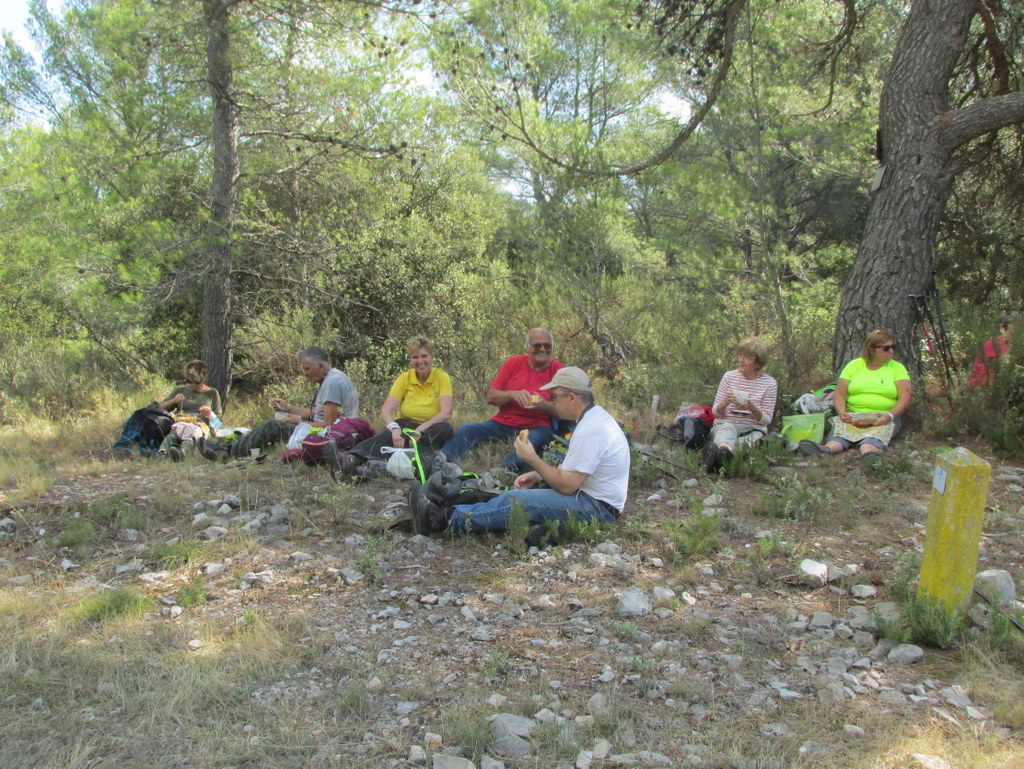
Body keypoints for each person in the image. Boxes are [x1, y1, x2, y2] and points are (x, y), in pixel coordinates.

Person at [409, 367, 630, 541]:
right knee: (521, 495)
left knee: (517, 501)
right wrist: (538, 475)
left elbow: (567, 485)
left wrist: (532, 458)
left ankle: (441, 521)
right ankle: (453, 509)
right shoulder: (593, 419)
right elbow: (577, 469)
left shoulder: (590, 430)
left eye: (554, 397)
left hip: (596, 508)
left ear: (571, 397)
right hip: (593, 499)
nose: (550, 402)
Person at [440, 328, 563, 471]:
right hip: (503, 423)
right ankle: (442, 459)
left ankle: (502, 471)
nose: (542, 349)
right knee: (469, 429)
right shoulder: (513, 363)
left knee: (533, 440)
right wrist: (512, 394)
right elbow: (491, 397)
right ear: (527, 347)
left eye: (547, 346)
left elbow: (565, 413)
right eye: (537, 345)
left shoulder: (558, 371)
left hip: (537, 426)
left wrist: (545, 405)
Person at [333, 336, 454, 477]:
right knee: (387, 433)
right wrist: (395, 429)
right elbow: (386, 409)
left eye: (424, 356)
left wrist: (422, 428)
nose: (420, 361)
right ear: (410, 359)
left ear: (432, 357)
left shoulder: (441, 377)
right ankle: (350, 459)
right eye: (415, 357)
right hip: (406, 425)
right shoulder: (405, 378)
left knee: (446, 429)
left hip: (430, 428)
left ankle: (393, 458)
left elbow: (446, 412)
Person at [228, 346, 359, 458]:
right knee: (279, 421)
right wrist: (288, 408)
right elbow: (318, 412)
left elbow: (329, 426)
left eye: (307, 369)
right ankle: (232, 446)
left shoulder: (332, 383)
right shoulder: (332, 377)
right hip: (324, 431)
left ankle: (228, 453)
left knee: (273, 425)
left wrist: (300, 423)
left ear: (321, 366)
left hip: (329, 437)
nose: (305, 373)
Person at [800, 329, 912, 459]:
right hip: (854, 414)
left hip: (883, 416)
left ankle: (870, 455)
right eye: (886, 348)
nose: (891, 351)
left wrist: (889, 415)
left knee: (871, 440)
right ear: (872, 349)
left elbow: (905, 396)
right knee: (838, 438)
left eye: (893, 347)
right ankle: (825, 450)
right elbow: (840, 393)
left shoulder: (897, 368)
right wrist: (842, 412)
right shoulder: (854, 365)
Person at [113, 360, 222, 458]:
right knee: (172, 435)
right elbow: (159, 408)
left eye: (197, 382)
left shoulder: (212, 393)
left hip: (199, 426)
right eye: (189, 381)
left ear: (203, 378)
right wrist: (173, 401)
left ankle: (182, 453)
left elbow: (218, 419)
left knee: (190, 437)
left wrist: (209, 413)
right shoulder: (181, 390)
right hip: (180, 422)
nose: (193, 385)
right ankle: (162, 453)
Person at [700, 338, 778, 472]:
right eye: (740, 355)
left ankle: (718, 458)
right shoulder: (729, 377)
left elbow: (766, 419)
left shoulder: (769, 383)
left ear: (758, 362)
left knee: (748, 442)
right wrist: (726, 402)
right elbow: (715, 412)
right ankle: (723, 453)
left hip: (752, 428)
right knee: (726, 430)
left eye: (748, 357)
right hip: (727, 423)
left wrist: (753, 409)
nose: (742, 360)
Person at [969, 318, 1013, 386]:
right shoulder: (993, 344)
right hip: (983, 385)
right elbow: (1005, 366)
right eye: (1012, 332)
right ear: (1002, 328)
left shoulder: (1007, 345)